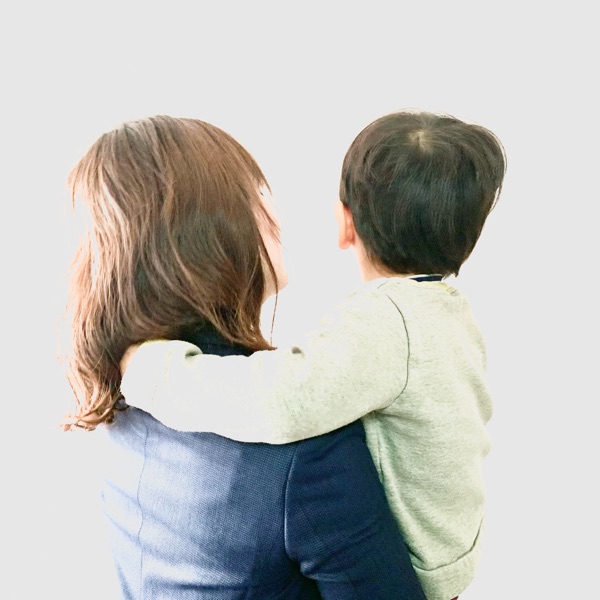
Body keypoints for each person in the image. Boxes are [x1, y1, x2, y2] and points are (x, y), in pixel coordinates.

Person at [120, 109, 507, 600]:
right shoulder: (449, 312)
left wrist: (154, 372)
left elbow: (281, 399)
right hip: (454, 551)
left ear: (345, 223)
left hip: (416, 569)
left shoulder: (386, 320)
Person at [61, 115, 426, 599]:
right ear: (202, 230)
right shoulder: (300, 439)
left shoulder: (120, 407)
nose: (272, 208)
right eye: (253, 193)